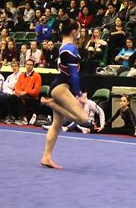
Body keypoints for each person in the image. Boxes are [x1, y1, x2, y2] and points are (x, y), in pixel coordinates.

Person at [40, 22, 89, 169]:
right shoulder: (69, 48)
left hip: (60, 86)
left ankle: (46, 157)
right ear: (74, 32)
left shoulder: (64, 47)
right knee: (83, 119)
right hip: (61, 87)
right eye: (79, 30)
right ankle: (50, 103)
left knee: (56, 125)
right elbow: (74, 75)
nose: (80, 33)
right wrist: (79, 94)